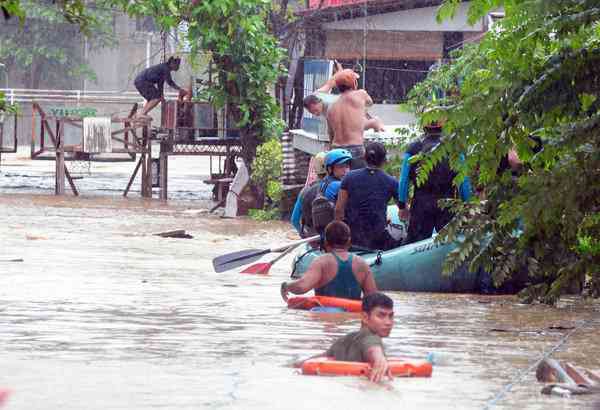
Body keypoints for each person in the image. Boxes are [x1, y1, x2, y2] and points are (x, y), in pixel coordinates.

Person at [295, 292, 395, 383]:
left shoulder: (342, 341)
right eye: (381, 316)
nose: (388, 322)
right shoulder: (372, 338)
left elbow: (306, 363)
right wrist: (380, 359)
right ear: (365, 317)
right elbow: (373, 347)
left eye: (391, 316)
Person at [398, 122, 472, 244]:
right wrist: (467, 205)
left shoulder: (413, 148)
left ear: (424, 127)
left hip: (421, 205)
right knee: (449, 244)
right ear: (442, 127)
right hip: (447, 204)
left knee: (415, 246)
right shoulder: (453, 148)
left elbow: (404, 180)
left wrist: (402, 205)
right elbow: (464, 180)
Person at [280, 221, 377, 301]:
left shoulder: (321, 262)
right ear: (349, 241)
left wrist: (286, 286)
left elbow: (302, 286)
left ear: (326, 242)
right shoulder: (362, 263)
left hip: (326, 318)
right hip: (352, 319)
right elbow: (373, 299)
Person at [335, 141, 401, 250]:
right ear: (384, 161)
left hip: (354, 239)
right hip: (378, 239)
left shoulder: (349, 177)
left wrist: (340, 239)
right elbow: (403, 211)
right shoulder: (392, 181)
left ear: (364, 158)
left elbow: (339, 210)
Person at [326, 70, 378, 169]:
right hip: (355, 148)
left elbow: (330, 134)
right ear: (354, 83)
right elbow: (370, 103)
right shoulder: (361, 94)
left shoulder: (331, 106)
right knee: (358, 183)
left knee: (339, 183)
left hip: (336, 149)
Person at [311, 149, 352, 233]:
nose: (345, 170)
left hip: (327, 229)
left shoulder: (324, 182)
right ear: (330, 169)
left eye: (347, 166)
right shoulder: (338, 185)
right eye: (341, 166)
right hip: (337, 229)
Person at [290, 152, 327, 237]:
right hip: (331, 238)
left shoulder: (305, 190)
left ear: (315, 169)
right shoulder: (338, 187)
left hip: (312, 238)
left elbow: (294, 220)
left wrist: (302, 233)